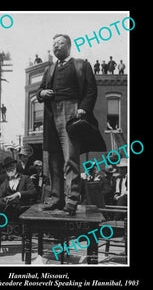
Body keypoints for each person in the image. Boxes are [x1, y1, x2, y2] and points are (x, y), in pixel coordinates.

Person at [37, 33, 106, 213]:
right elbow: (40, 91)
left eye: (60, 43)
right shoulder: (50, 69)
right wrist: (41, 94)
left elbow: (91, 90)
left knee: (71, 159)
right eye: (54, 44)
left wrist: (83, 108)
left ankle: (72, 200)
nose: (56, 47)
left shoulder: (81, 65)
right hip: (52, 114)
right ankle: (56, 198)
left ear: (69, 46)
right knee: (54, 159)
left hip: (72, 112)